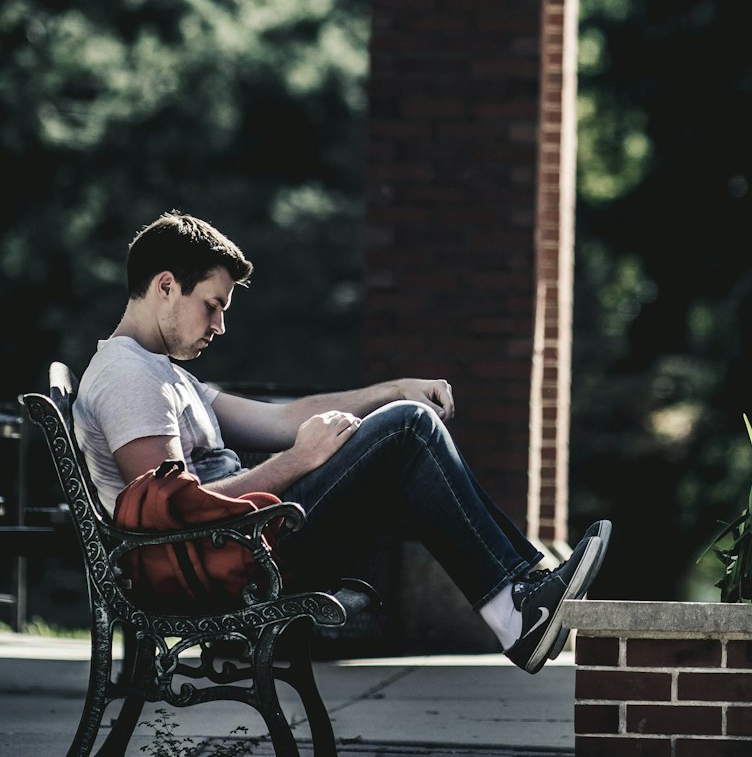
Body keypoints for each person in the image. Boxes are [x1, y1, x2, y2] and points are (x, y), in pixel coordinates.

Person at [73, 210, 610, 673]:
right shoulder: (128, 377)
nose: (219, 325)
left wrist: (395, 388)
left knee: (404, 420)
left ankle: (520, 596)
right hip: (235, 555)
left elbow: (281, 419)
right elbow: (172, 520)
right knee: (407, 428)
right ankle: (515, 608)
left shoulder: (162, 373)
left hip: (247, 539)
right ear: (166, 286)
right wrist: (298, 461)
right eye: (212, 305)